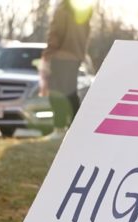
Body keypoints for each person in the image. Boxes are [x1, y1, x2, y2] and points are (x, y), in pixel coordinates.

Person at [43, 0, 91, 138]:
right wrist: (81, 54)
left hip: (60, 56)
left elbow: (55, 34)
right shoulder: (83, 11)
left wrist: (48, 54)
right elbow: (86, 35)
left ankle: (59, 128)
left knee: (56, 94)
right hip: (75, 56)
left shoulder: (62, 10)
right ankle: (76, 129)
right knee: (71, 93)